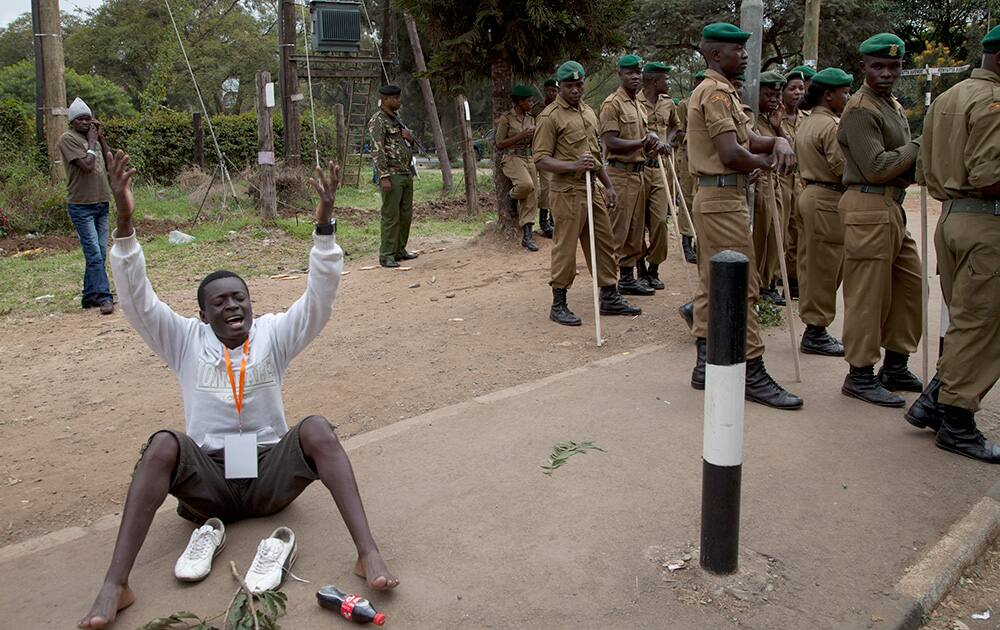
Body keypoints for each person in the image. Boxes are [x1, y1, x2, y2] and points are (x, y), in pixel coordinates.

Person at [78, 154, 398, 629]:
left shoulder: (273, 334)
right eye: (220, 302)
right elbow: (137, 300)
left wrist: (325, 224)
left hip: (270, 476)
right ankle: (115, 584)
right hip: (207, 483)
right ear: (202, 314)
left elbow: (319, 299)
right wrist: (124, 221)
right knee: (164, 442)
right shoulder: (183, 339)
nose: (233, 307)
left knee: (315, 429)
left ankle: (367, 552)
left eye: (240, 298)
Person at [686, 23, 802, 409]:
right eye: (738, 50)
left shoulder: (725, 93)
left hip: (720, 196)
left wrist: (779, 139)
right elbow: (733, 154)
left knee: (712, 283)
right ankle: (752, 369)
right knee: (741, 285)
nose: (746, 56)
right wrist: (769, 161)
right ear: (717, 55)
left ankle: (705, 362)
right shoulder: (715, 92)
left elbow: (750, 137)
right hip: (721, 199)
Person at [907, 25, 1000, 463]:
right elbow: (988, 175)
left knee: (968, 322)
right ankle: (957, 422)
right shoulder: (993, 102)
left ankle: (935, 400)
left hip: (953, 219)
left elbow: (924, 170)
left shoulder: (947, 96)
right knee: (981, 325)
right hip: (986, 224)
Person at [837, 33, 923, 407]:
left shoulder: (891, 104)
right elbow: (875, 167)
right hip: (868, 204)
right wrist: (920, 145)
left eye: (894, 65)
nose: (887, 73)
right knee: (868, 295)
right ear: (864, 68)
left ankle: (896, 363)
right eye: (878, 66)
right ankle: (859, 374)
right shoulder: (860, 109)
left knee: (909, 285)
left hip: (892, 207)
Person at [533, 60, 641, 326]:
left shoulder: (588, 113)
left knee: (604, 243)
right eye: (569, 86)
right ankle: (559, 303)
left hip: (592, 189)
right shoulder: (550, 117)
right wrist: (573, 166)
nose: (575, 90)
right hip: (566, 191)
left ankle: (609, 295)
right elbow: (541, 159)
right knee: (565, 248)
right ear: (560, 86)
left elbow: (595, 156)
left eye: (579, 85)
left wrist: (609, 185)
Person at [794, 67, 853, 357]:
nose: (848, 97)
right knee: (825, 267)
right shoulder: (831, 126)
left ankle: (814, 326)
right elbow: (843, 168)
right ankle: (816, 330)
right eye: (844, 93)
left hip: (810, 194)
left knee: (811, 264)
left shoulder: (809, 122)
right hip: (828, 198)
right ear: (828, 95)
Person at [599, 54, 665, 297]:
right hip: (619, 173)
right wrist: (641, 142)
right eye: (630, 72)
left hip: (639, 174)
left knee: (634, 233)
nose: (635, 76)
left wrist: (653, 142)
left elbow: (643, 138)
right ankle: (608, 289)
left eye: (638, 72)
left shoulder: (636, 104)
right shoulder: (612, 104)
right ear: (620, 74)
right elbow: (611, 142)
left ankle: (627, 279)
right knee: (617, 233)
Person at [58, 97, 114, 315]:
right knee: (94, 254)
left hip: (101, 201)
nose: (85, 123)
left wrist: (100, 138)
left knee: (99, 251)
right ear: (72, 121)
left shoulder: (94, 139)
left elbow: (109, 161)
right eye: (80, 119)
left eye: (88, 119)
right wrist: (91, 141)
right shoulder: (67, 139)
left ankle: (89, 296)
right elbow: (87, 166)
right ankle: (104, 297)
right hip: (81, 205)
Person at [636, 61, 681, 291]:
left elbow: (675, 127)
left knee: (660, 222)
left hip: (661, 170)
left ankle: (654, 267)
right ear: (654, 81)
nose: (668, 83)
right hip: (639, 169)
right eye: (665, 79)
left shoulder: (668, 103)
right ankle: (639, 268)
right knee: (637, 223)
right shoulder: (635, 102)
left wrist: (668, 142)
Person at [369, 84, 417, 268]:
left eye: (398, 97)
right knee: (391, 215)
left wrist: (409, 138)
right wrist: (384, 176)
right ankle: (387, 254)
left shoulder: (397, 120)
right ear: (386, 99)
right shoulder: (378, 121)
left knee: (405, 215)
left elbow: (405, 145)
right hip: (392, 174)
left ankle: (399, 250)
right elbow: (377, 150)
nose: (399, 101)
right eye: (395, 98)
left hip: (405, 172)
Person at [750, 70, 788, 307]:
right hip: (759, 183)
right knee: (759, 237)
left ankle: (768, 283)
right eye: (768, 94)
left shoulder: (774, 121)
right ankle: (758, 285)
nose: (774, 99)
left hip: (775, 183)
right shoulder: (750, 119)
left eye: (777, 94)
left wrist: (778, 129)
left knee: (777, 234)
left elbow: (789, 152)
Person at [496, 84, 540, 251]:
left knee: (533, 193)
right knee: (526, 185)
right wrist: (521, 135)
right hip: (512, 157)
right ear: (520, 102)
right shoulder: (506, 119)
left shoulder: (531, 118)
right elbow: (499, 143)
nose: (531, 103)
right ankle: (511, 197)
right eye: (528, 100)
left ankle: (527, 235)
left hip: (529, 156)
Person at [778, 68, 809, 299]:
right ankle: (776, 276)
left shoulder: (806, 120)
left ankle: (793, 277)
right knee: (780, 228)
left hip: (801, 180)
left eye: (800, 87)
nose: (797, 92)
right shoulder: (774, 118)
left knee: (798, 230)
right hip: (780, 179)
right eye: (792, 88)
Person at [675, 70, 706, 266]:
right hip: (687, 155)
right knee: (687, 197)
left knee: (701, 198)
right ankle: (686, 240)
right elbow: (678, 131)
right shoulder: (685, 105)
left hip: (705, 158)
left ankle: (699, 240)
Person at [531, 78, 559, 238]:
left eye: (553, 91)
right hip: (540, 151)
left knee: (551, 186)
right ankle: (543, 221)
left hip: (556, 153)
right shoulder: (537, 109)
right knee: (542, 187)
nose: (551, 93)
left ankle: (552, 220)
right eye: (548, 90)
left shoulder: (560, 107)